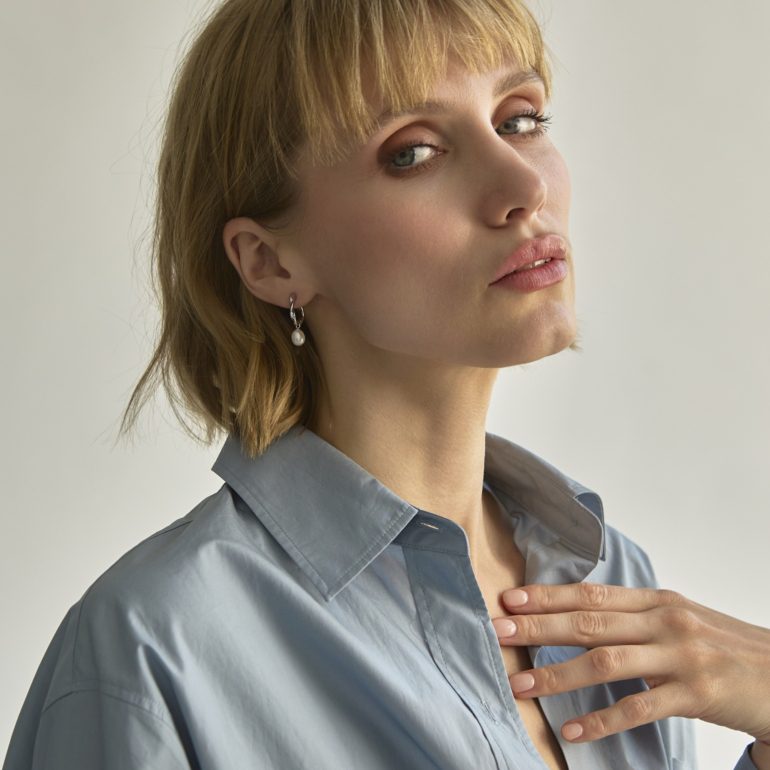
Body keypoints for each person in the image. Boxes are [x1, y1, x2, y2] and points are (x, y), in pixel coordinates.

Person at [3, 0, 769, 768]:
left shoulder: (611, 583)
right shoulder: (151, 654)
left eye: (521, 118)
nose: (521, 186)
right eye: (414, 152)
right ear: (270, 263)